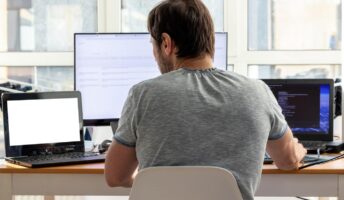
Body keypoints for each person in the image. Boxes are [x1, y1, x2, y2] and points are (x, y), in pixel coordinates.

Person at [105, 0, 307, 199]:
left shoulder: (143, 94)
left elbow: (115, 176)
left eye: (153, 44)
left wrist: (150, 180)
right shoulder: (257, 91)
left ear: (166, 43)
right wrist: (296, 151)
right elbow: (287, 160)